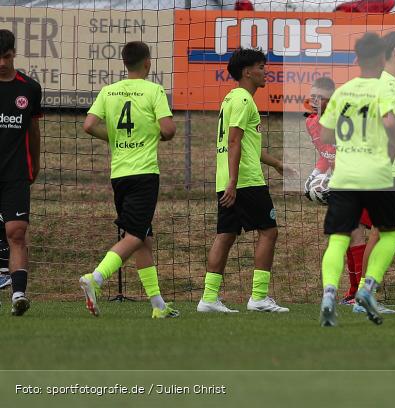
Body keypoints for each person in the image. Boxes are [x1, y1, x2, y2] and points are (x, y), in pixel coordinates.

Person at [81, 41, 179, 318]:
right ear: (147, 63)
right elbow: (169, 130)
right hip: (144, 173)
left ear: (125, 63)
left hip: (119, 174)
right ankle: (96, 278)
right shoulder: (154, 90)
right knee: (135, 236)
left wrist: (114, 138)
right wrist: (158, 135)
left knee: (144, 238)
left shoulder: (108, 91)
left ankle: (158, 307)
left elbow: (88, 125)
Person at [318, 33, 395, 327]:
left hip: (344, 176)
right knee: (390, 232)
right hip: (377, 174)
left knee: (339, 237)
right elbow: (390, 121)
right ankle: (369, 288)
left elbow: (326, 135)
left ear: (357, 58)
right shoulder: (383, 87)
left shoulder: (343, 92)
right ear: (383, 57)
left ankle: (329, 293)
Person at [198, 48, 292, 314]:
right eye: (262, 67)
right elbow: (234, 141)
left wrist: (276, 164)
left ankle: (208, 299)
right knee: (269, 231)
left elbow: (247, 144)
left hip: (230, 179)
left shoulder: (231, 99)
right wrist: (234, 182)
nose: (266, 72)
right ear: (247, 72)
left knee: (225, 235)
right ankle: (259, 297)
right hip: (245, 180)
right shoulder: (242, 100)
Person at [304, 76, 368, 305]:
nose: (314, 101)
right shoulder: (311, 122)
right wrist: (315, 175)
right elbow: (326, 154)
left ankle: (361, 293)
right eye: (312, 96)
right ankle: (354, 292)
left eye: (319, 97)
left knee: (356, 233)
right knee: (349, 234)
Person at [0, 29, 41, 316]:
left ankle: (18, 295)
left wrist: (35, 163)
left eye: (6, 56)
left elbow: (34, 130)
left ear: (14, 54)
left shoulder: (29, 88)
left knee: (16, 233)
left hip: (16, 173)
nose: (2, 63)